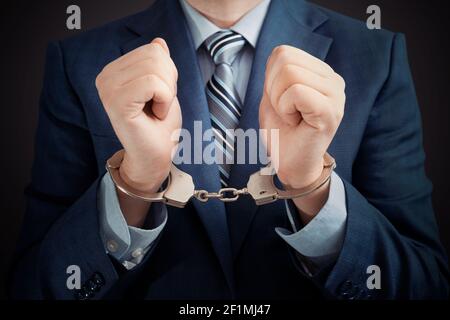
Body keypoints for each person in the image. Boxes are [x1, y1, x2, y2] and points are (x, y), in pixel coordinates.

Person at [11, 0, 449, 299]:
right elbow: (33, 286)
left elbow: (425, 283)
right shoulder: (79, 61)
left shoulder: (376, 56)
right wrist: (134, 182)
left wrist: (311, 187)